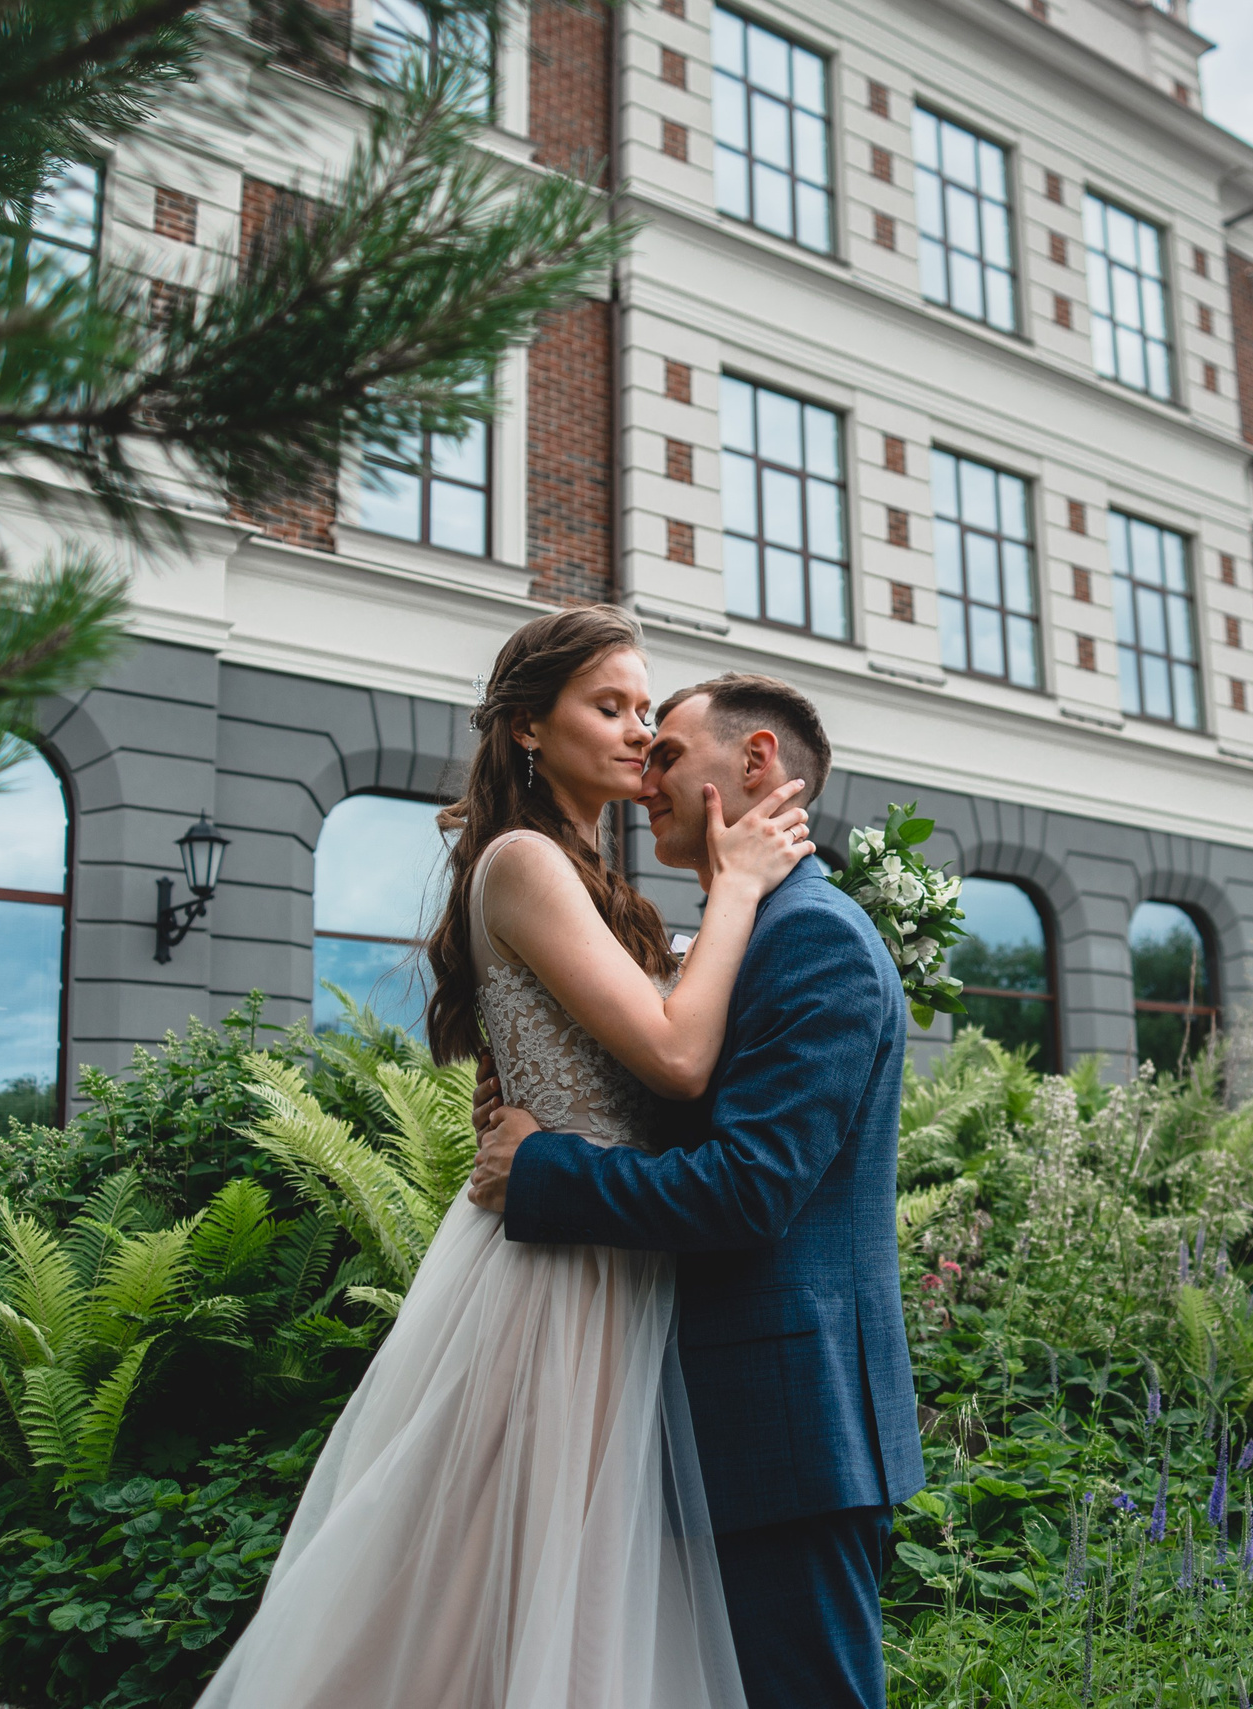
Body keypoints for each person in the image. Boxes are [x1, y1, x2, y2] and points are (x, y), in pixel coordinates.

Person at [193, 605, 814, 1709]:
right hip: (557, 1275)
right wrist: (740, 888)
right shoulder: (526, 860)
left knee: (565, 1588)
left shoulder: (590, 872)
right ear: (530, 727)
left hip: (611, 1248)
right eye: (610, 706)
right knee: (507, 1582)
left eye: (644, 708)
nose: (639, 734)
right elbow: (676, 1056)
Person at [468, 671, 926, 1709]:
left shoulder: (811, 938)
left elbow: (747, 1190)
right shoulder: (751, 931)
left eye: (666, 751)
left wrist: (542, 1166)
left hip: (787, 1431)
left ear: (755, 760)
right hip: (721, 1416)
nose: (644, 776)